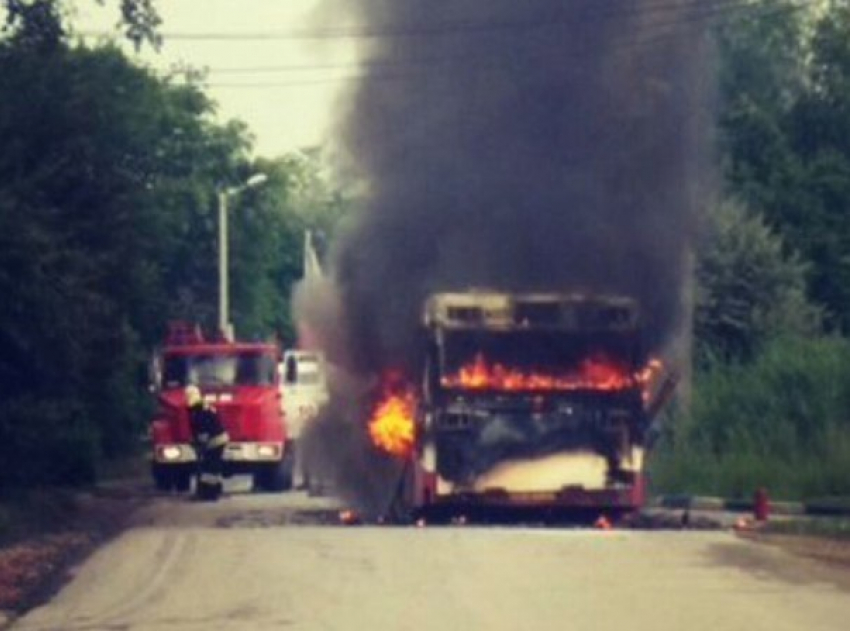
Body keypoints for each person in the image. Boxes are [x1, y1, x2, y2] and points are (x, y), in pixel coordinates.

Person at [185, 384, 229, 501]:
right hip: (219, 439)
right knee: (213, 466)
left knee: (209, 468)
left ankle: (209, 493)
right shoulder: (204, 406)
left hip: (214, 441)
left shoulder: (198, 411)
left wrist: (199, 445)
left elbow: (203, 430)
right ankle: (215, 490)